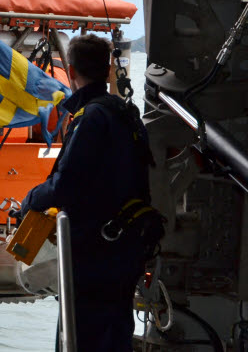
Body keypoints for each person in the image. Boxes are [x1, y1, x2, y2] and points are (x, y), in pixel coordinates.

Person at [14, 34, 158, 351]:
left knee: (80, 334)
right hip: (127, 243)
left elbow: (66, 184)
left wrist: (29, 202)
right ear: (109, 70)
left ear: (71, 70)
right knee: (114, 330)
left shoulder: (92, 118)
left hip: (97, 249)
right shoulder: (126, 113)